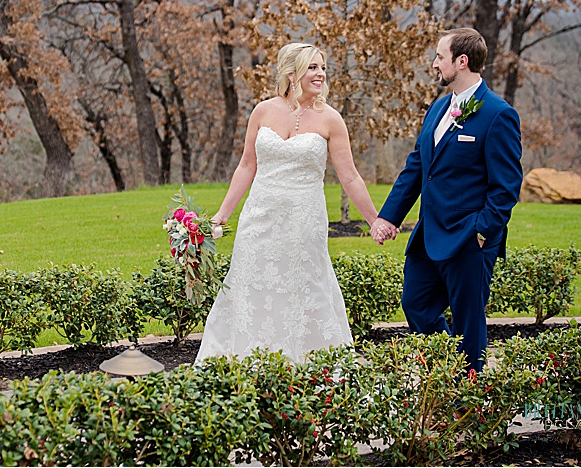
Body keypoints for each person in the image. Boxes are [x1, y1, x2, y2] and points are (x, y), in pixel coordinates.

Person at [195, 43, 392, 364]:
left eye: (322, 68)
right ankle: (245, 363)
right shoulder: (262, 111)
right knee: (251, 286)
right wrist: (221, 215)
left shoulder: (331, 119)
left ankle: (310, 364)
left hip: (304, 221)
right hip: (259, 218)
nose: (320, 74)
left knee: (304, 287)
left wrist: (375, 220)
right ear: (291, 72)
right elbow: (246, 166)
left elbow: (351, 177)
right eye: (312, 67)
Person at [371, 28, 523, 373]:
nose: (435, 64)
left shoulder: (498, 114)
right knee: (416, 305)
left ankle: (464, 399)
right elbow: (418, 167)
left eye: (440, 57)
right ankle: (450, 370)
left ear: (461, 61)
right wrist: (389, 217)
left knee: (469, 322)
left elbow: (506, 186)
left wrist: (482, 232)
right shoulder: (439, 108)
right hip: (428, 236)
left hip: (469, 238)